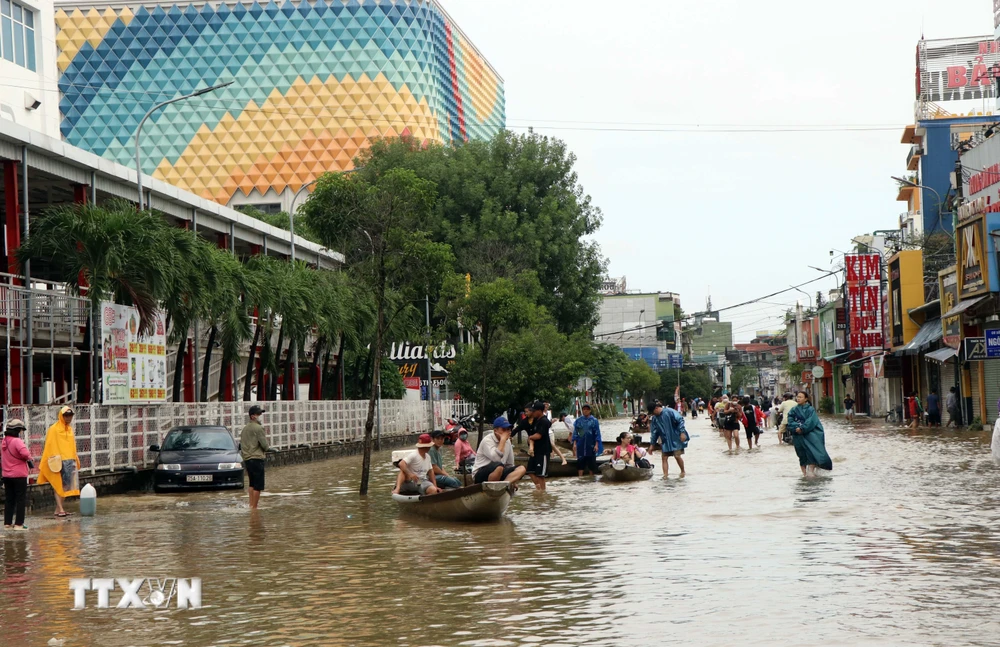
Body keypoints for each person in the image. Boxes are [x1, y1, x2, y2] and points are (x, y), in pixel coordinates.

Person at [38, 406, 80, 518]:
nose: (68, 418)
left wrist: (75, 458)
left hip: (70, 460)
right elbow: (49, 445)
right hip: (58, 461)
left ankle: (59, 509)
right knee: (58, 485)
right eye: (66, 415)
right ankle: (60, 508)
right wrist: (53, 459)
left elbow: (72, 445)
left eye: (70, 415)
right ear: (62, 416)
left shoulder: (70, 429)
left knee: (66, 486)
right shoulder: (54, 429)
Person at [786, 391, 833, 477]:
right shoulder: (793, 410)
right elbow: (790, 421)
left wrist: (802, 428)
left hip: (809, 434)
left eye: (800, 397)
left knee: (811, 452)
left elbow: (811, 421)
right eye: (797, 397)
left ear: (806, 399)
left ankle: (811, 471)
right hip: (797, 435)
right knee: (801, 453)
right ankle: (804, 474)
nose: (798, 398)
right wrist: (796, 427)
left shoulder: (810, 410)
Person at [472, 418, 527, 484]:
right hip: (481, 473)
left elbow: (510, 464)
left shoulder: (508, 442)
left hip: (499, 471)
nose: (507, 432)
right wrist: (502, 440)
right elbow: (496, 459)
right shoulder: (487, 440)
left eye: (509, 429)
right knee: (499, 466)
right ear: (495, 431)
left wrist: (512, 481)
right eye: (504, 430)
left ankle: (505, 485)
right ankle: (493, 488)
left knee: (521, 468)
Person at [527, 401, 567, 492]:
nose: (533, 412)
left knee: (541, 475)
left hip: (543, 452)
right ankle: (539, 489)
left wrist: (530, 437)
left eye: (534, 411)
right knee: (530, 471)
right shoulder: (536, 421)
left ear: (539, 411)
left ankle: (542, 491)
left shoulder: (544, 421)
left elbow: (538, 436)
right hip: (535, 451)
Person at [2, 419, 31, 531]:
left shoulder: (4, 441)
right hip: (19, 475)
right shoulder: (17, 441)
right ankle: (19, 524)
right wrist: (29, 458)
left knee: (9, 499)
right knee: (20, 499)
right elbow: (26, 454)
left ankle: (7, 523)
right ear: (17, 430)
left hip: (6, 475)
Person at [240, 405, 271, 510]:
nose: (260, 416)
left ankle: (251, 505)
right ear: (253, 416)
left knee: (251, 484)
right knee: (258, 485)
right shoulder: (259, 428)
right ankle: (255, 508)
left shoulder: (244, 429)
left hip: (247, 459)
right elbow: (265, 446)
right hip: (257, 459)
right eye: (258, 414)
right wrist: (270, 449)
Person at [649, 401, 689, 477]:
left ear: (657, 408)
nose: (653, 414)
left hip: (676, 438)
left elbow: (680, 420)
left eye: (653, 412)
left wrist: (682, 432)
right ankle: (665, 475)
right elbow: (654, 432)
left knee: (677, 456)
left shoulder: (669, 411)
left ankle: (683, 471)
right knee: (664, 457)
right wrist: (652, 444)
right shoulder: (655, 418)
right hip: (665, 440)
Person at [572, 403, 604, 476]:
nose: (585, 411)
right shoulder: (579, 420)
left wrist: (596, 445)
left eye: (587, 409)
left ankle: (591, 477)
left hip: (591, 444)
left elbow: (597, 433)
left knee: (591, 463)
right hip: (581, 444)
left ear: (590, 411)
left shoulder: (594, 420)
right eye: (584, 409)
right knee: (580, 461)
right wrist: (574, 444)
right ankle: (580, 477)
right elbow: (575, 433)